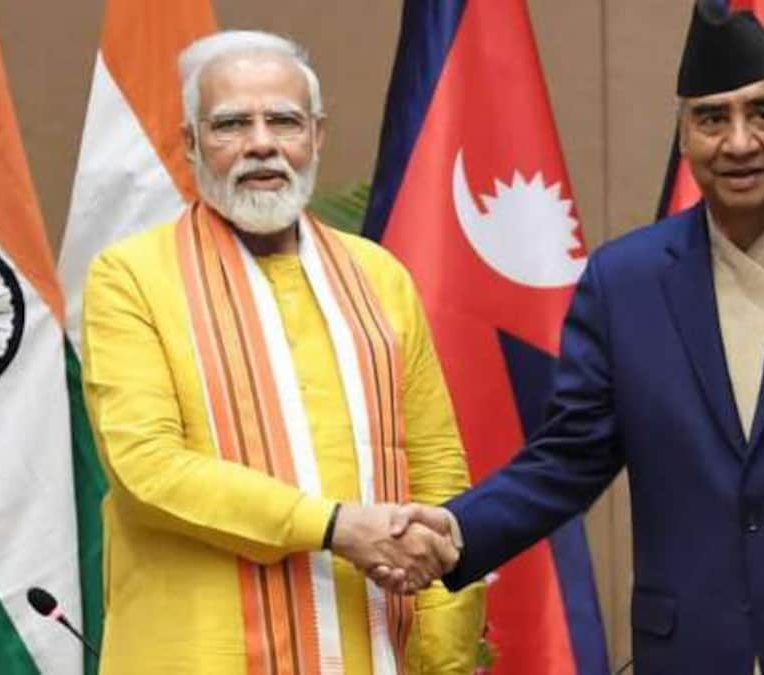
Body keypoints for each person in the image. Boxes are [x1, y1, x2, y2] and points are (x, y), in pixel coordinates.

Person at [386, 5, 764, 674]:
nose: (739, 142)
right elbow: (567, 457)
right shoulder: (625, 281)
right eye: (711, 118)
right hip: (693, 649)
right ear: (684, 133)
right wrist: (457, 531)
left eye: (762, 112)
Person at [80, 30, 483, 674]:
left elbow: (436, 473)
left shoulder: (378, 276)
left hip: (371, 651)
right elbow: (146, 467)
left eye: (284, 121)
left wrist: (444, 657)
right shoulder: (130, 276)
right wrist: (335, 526)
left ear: (316, 137)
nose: (261, 142)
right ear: (190, 145)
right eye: (232, 123)